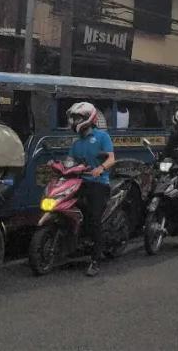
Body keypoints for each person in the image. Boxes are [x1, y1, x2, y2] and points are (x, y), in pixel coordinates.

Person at [65, 101, 115, 277]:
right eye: (73, 118)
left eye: (77, 118)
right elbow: (69, 162)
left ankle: (95, 260)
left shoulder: (102, 137)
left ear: (88, 118)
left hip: (99, 183)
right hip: (80, 183)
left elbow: (111, 159)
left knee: (94, 219)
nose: (74, 121)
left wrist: (100, 168)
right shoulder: (76, 143)